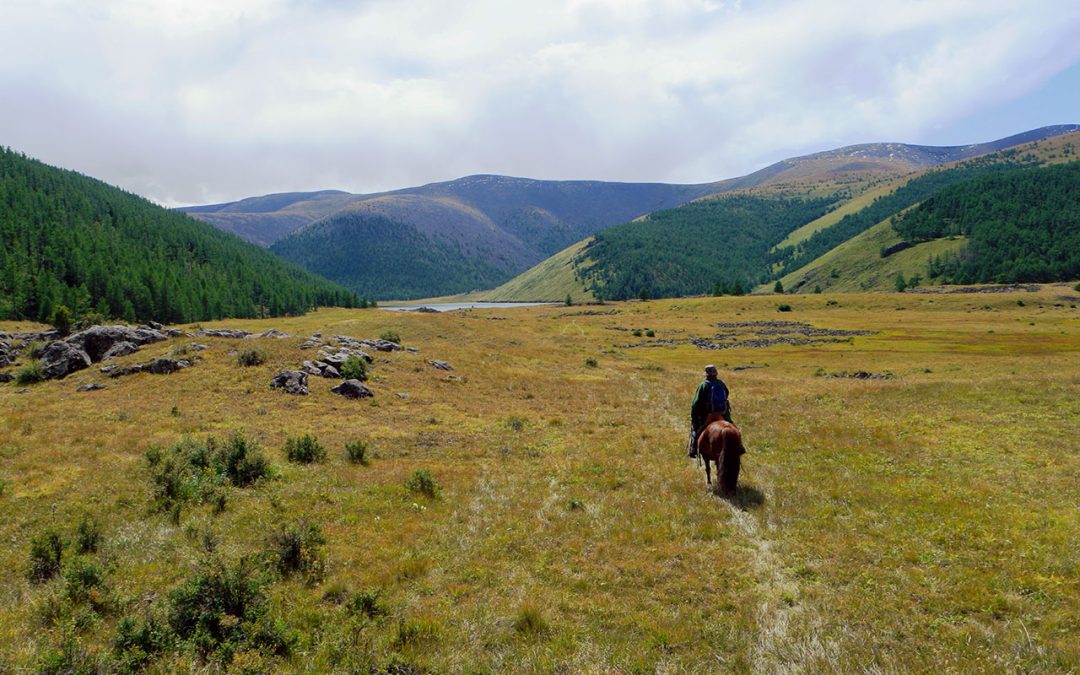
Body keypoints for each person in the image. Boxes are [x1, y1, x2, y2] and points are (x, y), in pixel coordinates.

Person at [689, 364, 731, 457]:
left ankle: (693, 449)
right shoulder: (721, 383)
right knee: (731, 427)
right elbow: (727, 394)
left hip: (708, 415)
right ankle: (740, 446)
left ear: (706, 374)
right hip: (722, 413)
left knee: (696, 428)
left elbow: (696, 402)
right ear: (716, 373)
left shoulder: (703, 385)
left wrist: (694, 417)